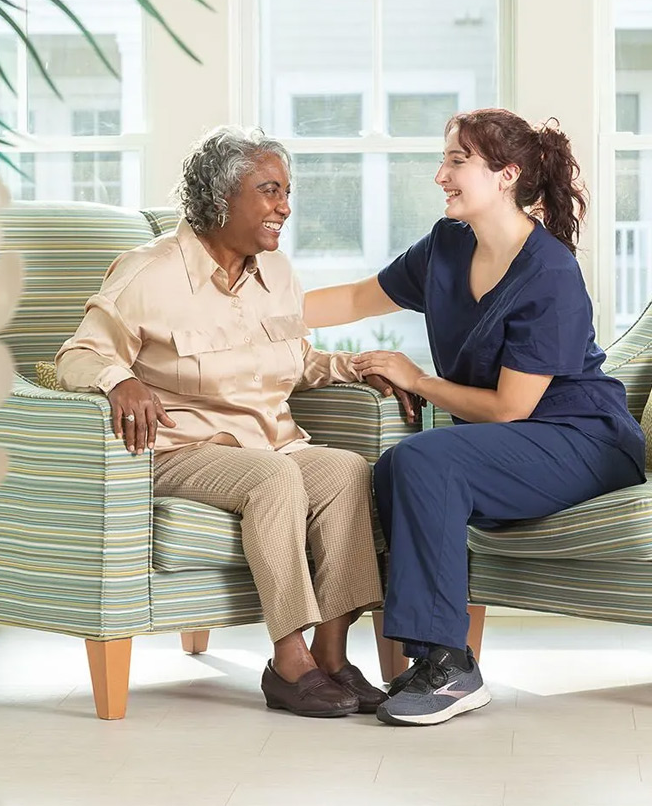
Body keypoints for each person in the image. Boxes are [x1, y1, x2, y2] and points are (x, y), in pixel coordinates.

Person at [56, 126, 415, 719]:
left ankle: (332, 653)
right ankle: (288, 663)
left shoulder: (278, 274)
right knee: (274, 481)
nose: (285, 207)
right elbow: (77, 355)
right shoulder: (149, 273)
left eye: (287, 191)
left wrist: (354, 367)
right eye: (269, 191)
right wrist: (119, 379)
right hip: (181, 449)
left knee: (347, 470)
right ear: (220, 199)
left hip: (272, 443)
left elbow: (294, 360)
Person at [304, 108, 646, 727]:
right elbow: (357, 297)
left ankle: (452, 665)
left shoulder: (550, 271)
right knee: (387, 476)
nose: (441, 175)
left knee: (420, 460)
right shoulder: (447, 246)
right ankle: (427, 659)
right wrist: (253, 310)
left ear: (507, 174)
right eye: (444, 161)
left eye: (456, 161)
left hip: (581, 441)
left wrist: (417, 379)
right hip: (506, 443)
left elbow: (514, 407)